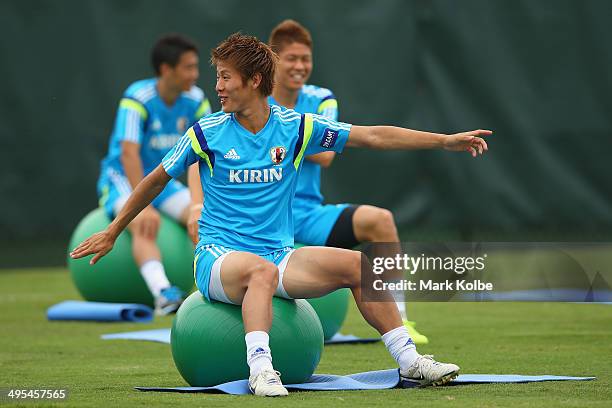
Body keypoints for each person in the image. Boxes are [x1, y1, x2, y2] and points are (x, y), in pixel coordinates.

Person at [72, 33, 491, 397]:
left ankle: (410, 361)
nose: (216, 86)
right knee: (260, 274)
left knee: (359, 265)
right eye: (216, 75)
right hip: (218, 257)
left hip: (279, 253)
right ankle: (260, 369)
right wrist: (113, 230)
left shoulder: (297, 127)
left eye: (224, 77)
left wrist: (443, 140)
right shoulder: (206, 132)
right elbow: (155, 179)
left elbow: (373, 135)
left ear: (253, 81)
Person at [266, 19, 428, 344]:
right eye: (291, 58)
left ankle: (402, 319)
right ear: (273, 59)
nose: (300, 66)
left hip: (309, 217)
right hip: (266, 220)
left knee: (380, 220)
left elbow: (326, 155)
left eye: (305, 59)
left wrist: (274, 140)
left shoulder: (322, 97)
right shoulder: (255, 100)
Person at [96, 34, 211, 315]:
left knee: (206, 222)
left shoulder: (196, 100)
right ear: (166, 69)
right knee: (144, 222)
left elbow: (201, 155)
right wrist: (143, 204)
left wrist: (197, 205)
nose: (195, 75)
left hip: (164, 183)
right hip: (124, 179)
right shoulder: (137, 98)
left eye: (196, 67)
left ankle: (212, 291)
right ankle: (163, 294)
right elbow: (128, 153)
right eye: (188, 67)